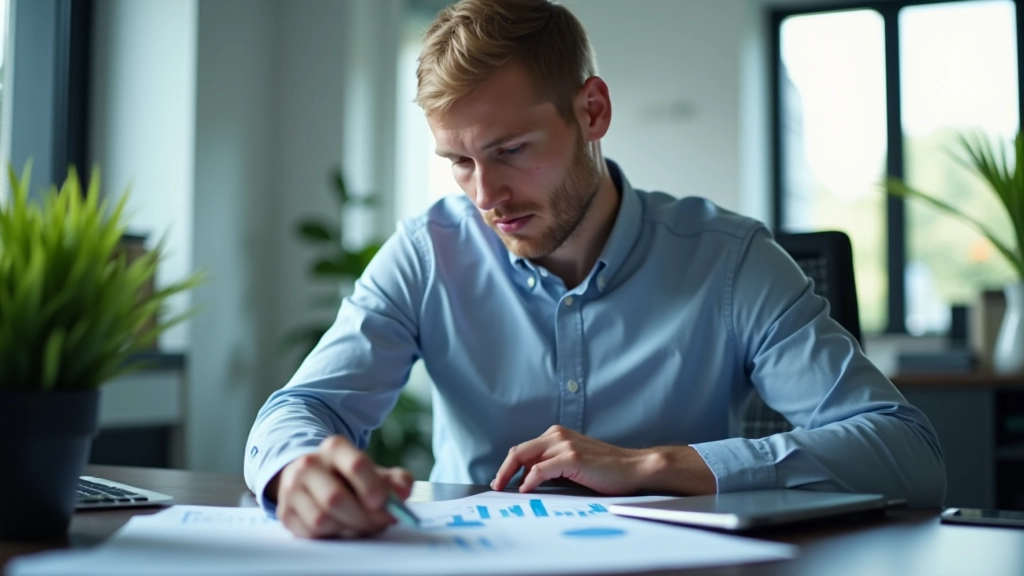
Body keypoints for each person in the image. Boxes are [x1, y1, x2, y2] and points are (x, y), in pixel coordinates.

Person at [244, 0, 946, 539]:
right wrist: (297, 470)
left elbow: (907, 452)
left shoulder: (731, 261)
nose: (485, 195)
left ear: (593, 111)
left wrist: (656, 466)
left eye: (511, 151)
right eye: (459, 161)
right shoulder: (429, 252)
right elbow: (300, 409)